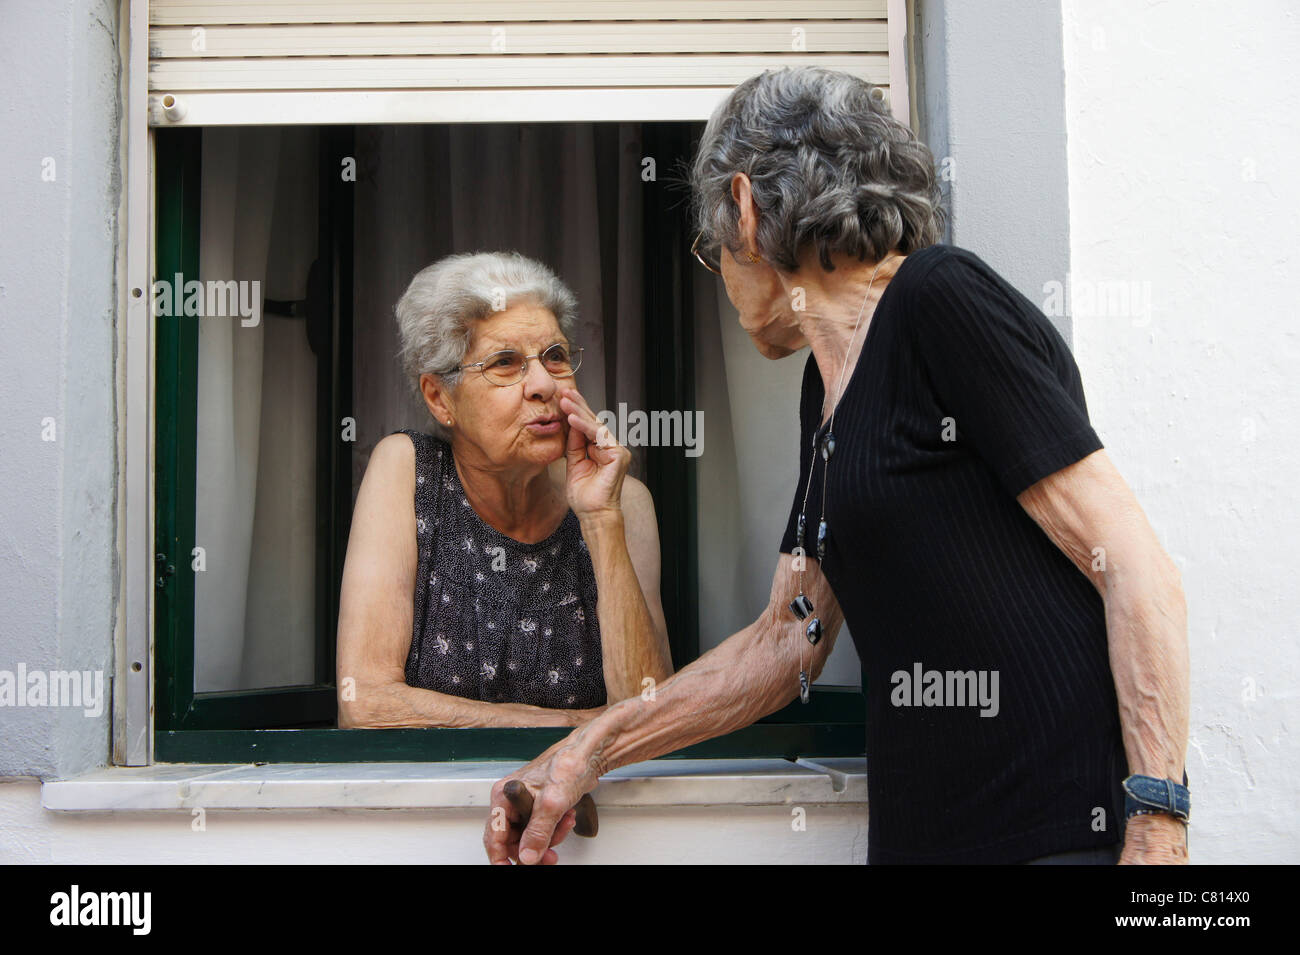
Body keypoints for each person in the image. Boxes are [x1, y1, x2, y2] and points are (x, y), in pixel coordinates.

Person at [483, 68, 1190, 864]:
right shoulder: (827, 385)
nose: (718, 273)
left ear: (745, 211)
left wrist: (1158, 829)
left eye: (712, 248)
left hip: (1054, 837)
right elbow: (787, 643)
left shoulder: (938, 298)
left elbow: (1133, 565)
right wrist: (585, 752)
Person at [336, 251, 673, 728]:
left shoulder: (623, 501)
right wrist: (573, 727)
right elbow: (364, 704)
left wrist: (601, 521)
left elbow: (651, 716)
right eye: (505, 363)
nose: (543, 385)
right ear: (440, 397)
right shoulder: (408, 473)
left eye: (555, 356)